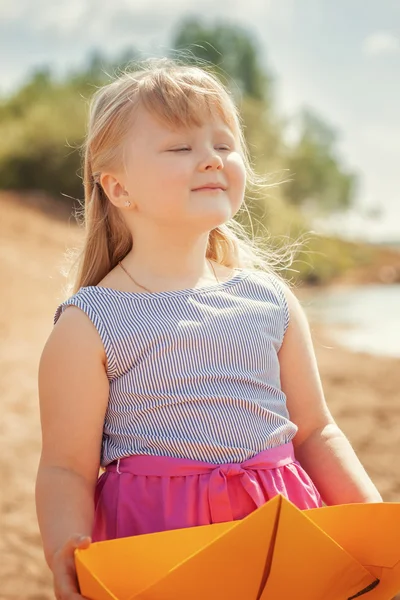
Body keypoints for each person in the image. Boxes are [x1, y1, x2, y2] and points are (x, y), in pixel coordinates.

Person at [35, 57, 382, 600]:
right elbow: (65, 468)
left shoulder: (269, 300)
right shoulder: (91, 322)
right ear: (119, 188)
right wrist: (66, 548)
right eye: (180, 148)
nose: (211, 161)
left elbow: (316, 432)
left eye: (224, 145)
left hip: (283, 530)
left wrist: (375, 527)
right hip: (160, 539)